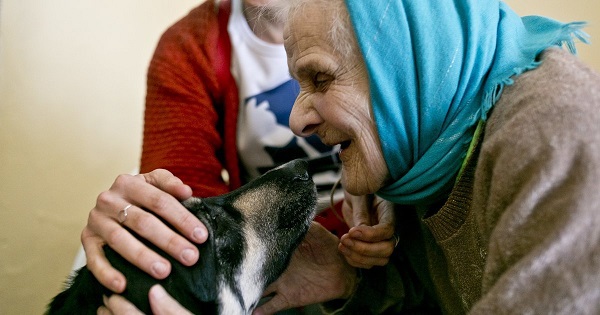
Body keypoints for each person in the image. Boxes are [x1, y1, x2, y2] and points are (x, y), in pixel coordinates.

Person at [103, 0, 600, 313]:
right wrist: (349, 278)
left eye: (319, 78)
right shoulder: (424, 156)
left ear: (404, 59)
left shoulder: (555, 133)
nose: (298, 122)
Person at [82, 0, 397, 311]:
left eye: (321, 80)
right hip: (273, 265)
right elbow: (190, 220)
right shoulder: (190, 45)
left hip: (390, 251)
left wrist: (390, 198)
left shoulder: (389, 17)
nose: (297, 121)